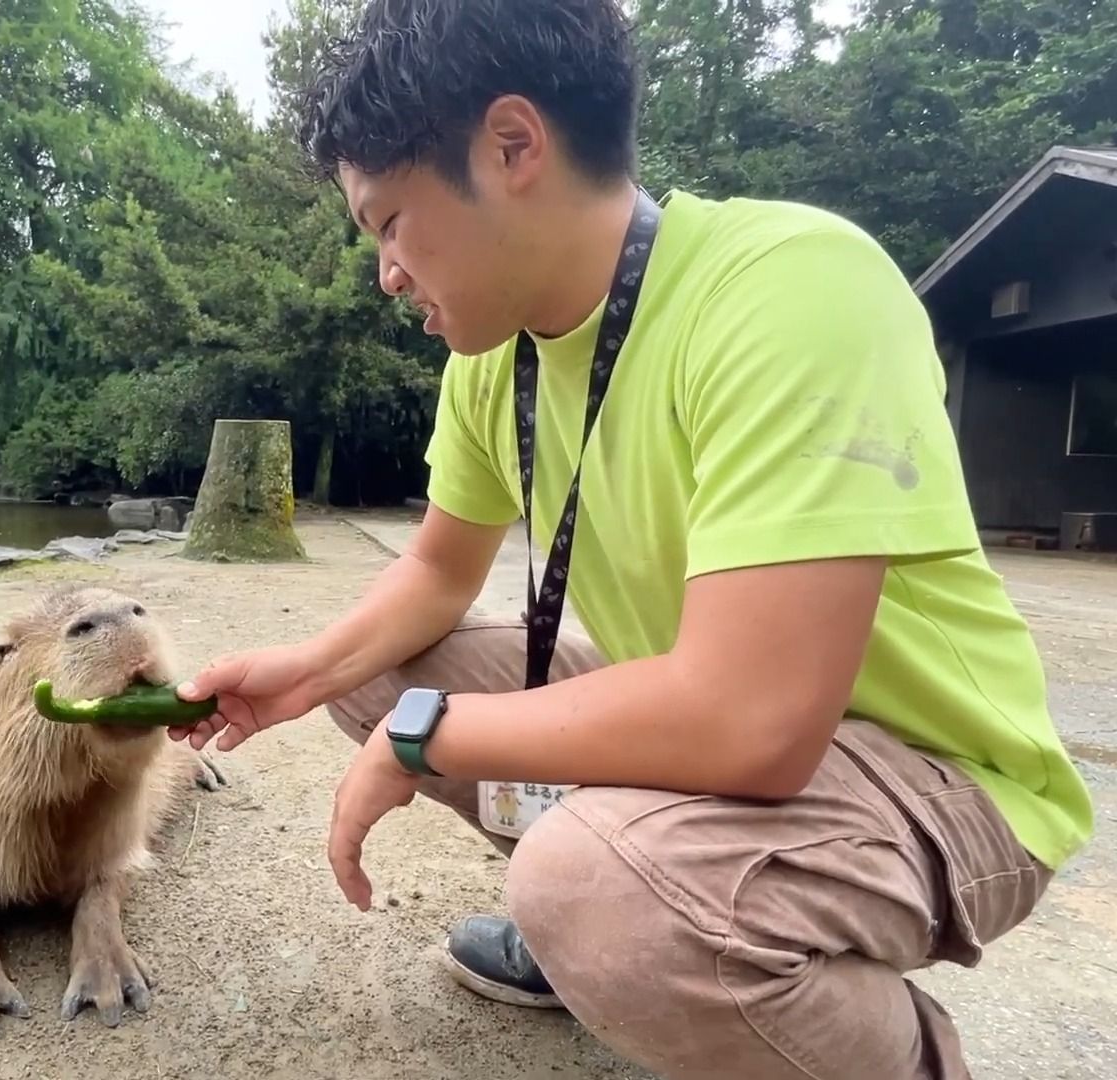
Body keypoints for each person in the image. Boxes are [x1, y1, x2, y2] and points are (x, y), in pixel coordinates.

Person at [168, 0, 1095, 1077]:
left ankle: (676, 933)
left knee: (579, 880)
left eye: (387, 223)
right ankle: (623, 914)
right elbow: (434, 571)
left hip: (940, 770)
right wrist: (305, 673)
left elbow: (755, 722)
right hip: (714, 709)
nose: (384, 272)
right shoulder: (492, 362)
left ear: (512, 146)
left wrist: (434, 736)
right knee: (387, 674)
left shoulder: (790, 287)